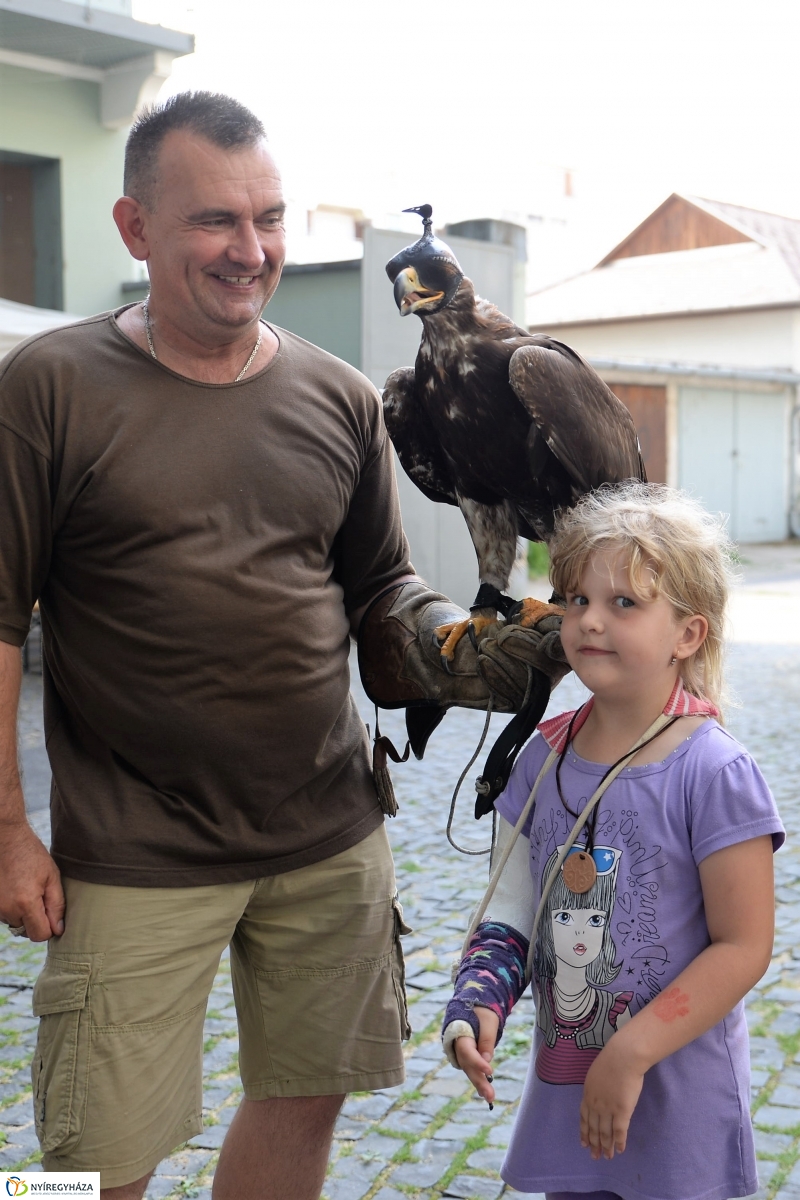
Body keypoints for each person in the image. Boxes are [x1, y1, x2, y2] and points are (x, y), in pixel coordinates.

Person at [0, 91, 564, 1200]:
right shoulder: (46, 388)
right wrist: (6, 828)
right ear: (135, 228)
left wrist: (468, 644)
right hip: (131, 850)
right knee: (80, 1156)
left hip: (326, 835)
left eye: (269, 217)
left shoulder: (342, 397)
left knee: (306, 1099)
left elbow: (382, 592)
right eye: (215, 220)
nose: (249, 249)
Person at [443, 482, 783, 1200]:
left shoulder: (714, 771)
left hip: (675, 1102)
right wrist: (476, 1005)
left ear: (688, 634)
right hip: (571, 1092)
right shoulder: (539, 761)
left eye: (624, 603)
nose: (589, 620)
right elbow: (509, 915)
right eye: (576, 599)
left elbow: (743, 947)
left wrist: (630, 1055)